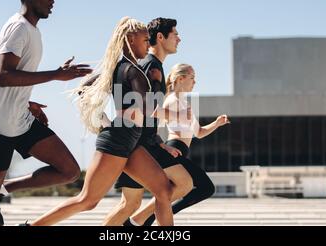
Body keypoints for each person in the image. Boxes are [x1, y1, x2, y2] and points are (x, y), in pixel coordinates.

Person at [28, 17, 174, 226]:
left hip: (129, 140)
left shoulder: (119, 68)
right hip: (117, 142)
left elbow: (84, 86)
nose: (147, 43)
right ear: (130, 39)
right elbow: (147, 108)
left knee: (164, 189)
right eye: (144, 39)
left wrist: (104, 119)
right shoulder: (130, 70)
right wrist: (178, 115)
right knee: (87, 200)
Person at [0, 0, 92, 226]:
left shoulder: (31, 31)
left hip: (20, 119)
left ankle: (5, 188)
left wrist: (26, 102)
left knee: (69, 171)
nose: (53, 2)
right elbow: (4, 76)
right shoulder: (18, 27)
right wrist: (56, 74)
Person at [103, 17, 194, 226]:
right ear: (160, 37)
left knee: (130, 203)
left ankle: (133, 223)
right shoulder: (149, 66)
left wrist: (159, 142)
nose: (179, 39)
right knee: (182, 183)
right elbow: (144, 109)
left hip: (141, 141)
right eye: (175, 34)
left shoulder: (153, 66)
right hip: (137, 143)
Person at [129, 63, 230, 226]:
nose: (194, 82)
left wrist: (217, 123)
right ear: (181, 79)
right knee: (205, 188)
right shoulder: (171, 100)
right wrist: (164, 144)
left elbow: (199, 132)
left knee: (178, 191)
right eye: (192, 78)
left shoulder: (186, 104)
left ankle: (141, 219)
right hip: (173, 149)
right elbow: (155, 114)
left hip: (182, 151)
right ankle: (147, 216)